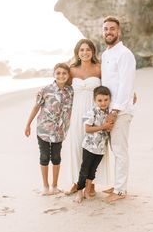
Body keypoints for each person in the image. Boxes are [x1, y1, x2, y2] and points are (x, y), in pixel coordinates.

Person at [63, 39, 113, 195]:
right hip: (77, 112)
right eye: (82, 50)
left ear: (93, 52)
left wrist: (130, 93)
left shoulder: (99, 68)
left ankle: (92, 184)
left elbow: (111, 86)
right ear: (77, 52)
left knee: (95, 148)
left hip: (95, 112)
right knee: (77, 146)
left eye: (88, 49)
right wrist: (43, 93)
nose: (85, 52)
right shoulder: (71, 70)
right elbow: (60, 85)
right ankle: (77, 183)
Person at [24, 63, 73, 196]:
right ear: (54, 74)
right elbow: (36, 107)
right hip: (44, 129)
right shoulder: (45, 90)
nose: (61, 75)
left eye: (64, 73)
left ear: (68, 75)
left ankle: (55, 186)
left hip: (60, 131)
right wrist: (28, 124)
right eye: (58, 73)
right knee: (44, 156)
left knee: (56, 157)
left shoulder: (70, 91)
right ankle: (45, 186)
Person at [101, 16, 136, 202]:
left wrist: (115, 111)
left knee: (120, 150)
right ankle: (117, 184)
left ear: (119, 31)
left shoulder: (125, 54)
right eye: (106, 29)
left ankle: (121, 190)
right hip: (109, 110)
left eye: (112, 28)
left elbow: (126, 84)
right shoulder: (106, 54)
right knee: (115, 149)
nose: (109, 32)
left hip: (120, 111)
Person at [74, 86, 113, 203]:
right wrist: (103, 127)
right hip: (89, 147)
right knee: (84, 170)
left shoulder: (109, 113)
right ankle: (79, 191)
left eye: (106, 100)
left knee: (93, 170)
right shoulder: (91, 112)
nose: (103, 103)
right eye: (100, 100)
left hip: (101, 148)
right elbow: (87, 129)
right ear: (94, 100)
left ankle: (87, 190)